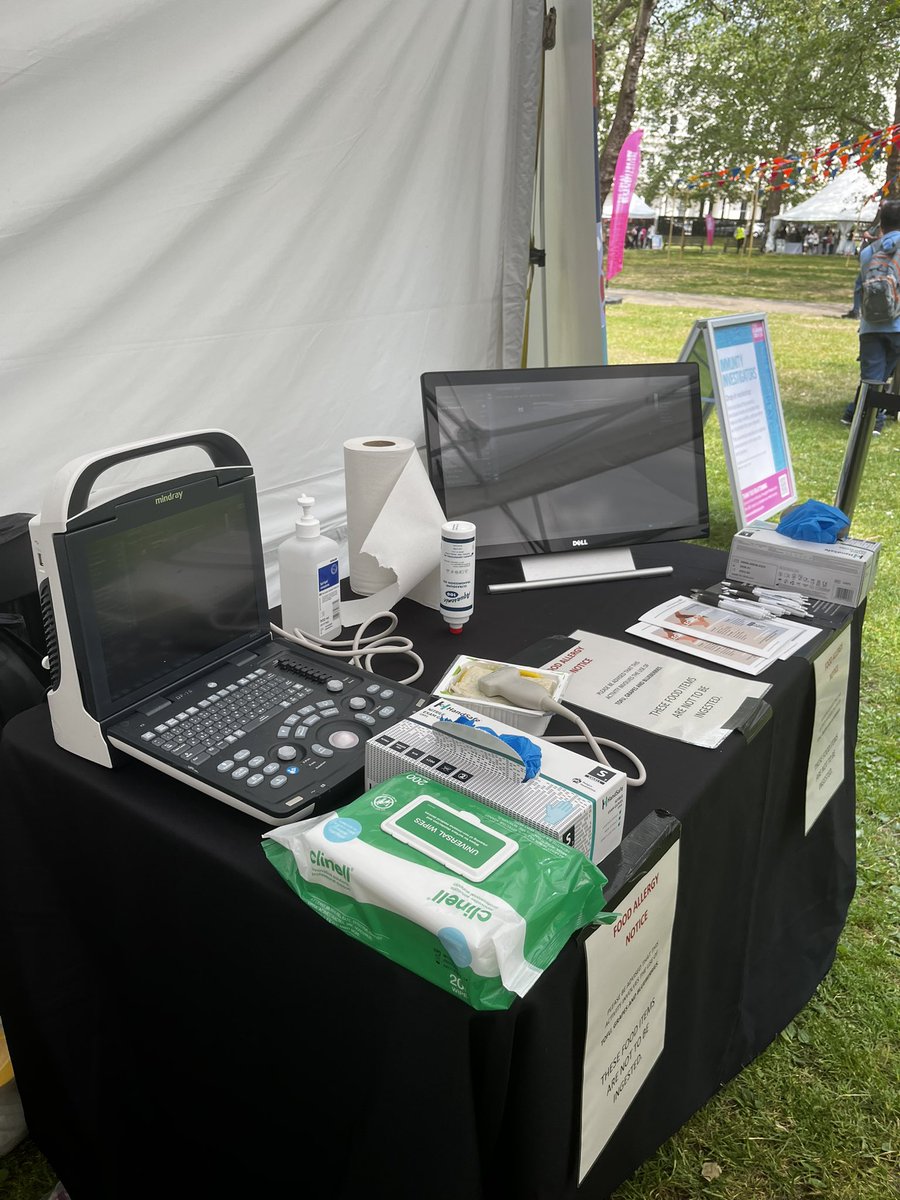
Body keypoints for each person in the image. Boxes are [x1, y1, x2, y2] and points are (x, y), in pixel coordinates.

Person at [840, 200, 900, 436]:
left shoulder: (867, 253)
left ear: (881, 224)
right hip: (898, 324)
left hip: (871, 325)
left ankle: (856, 413)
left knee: (872, 376)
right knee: (884, 374)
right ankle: (874, 420)